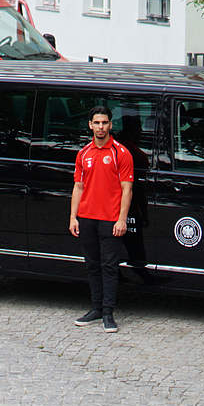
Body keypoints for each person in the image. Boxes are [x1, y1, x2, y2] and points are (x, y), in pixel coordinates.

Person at [69, 105, 134, 333]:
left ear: (110, 124)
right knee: (92, 265)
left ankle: (108, 313)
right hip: (86, 218)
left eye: (104, 123)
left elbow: (127, 189)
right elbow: (78, 187)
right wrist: (73, 217)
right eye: (96, 123)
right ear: (90, 125)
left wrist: (121, 219)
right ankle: (96, 308)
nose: (100, 127)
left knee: (109, 266)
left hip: (110, 220)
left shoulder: (120, 153)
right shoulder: (83, 153)